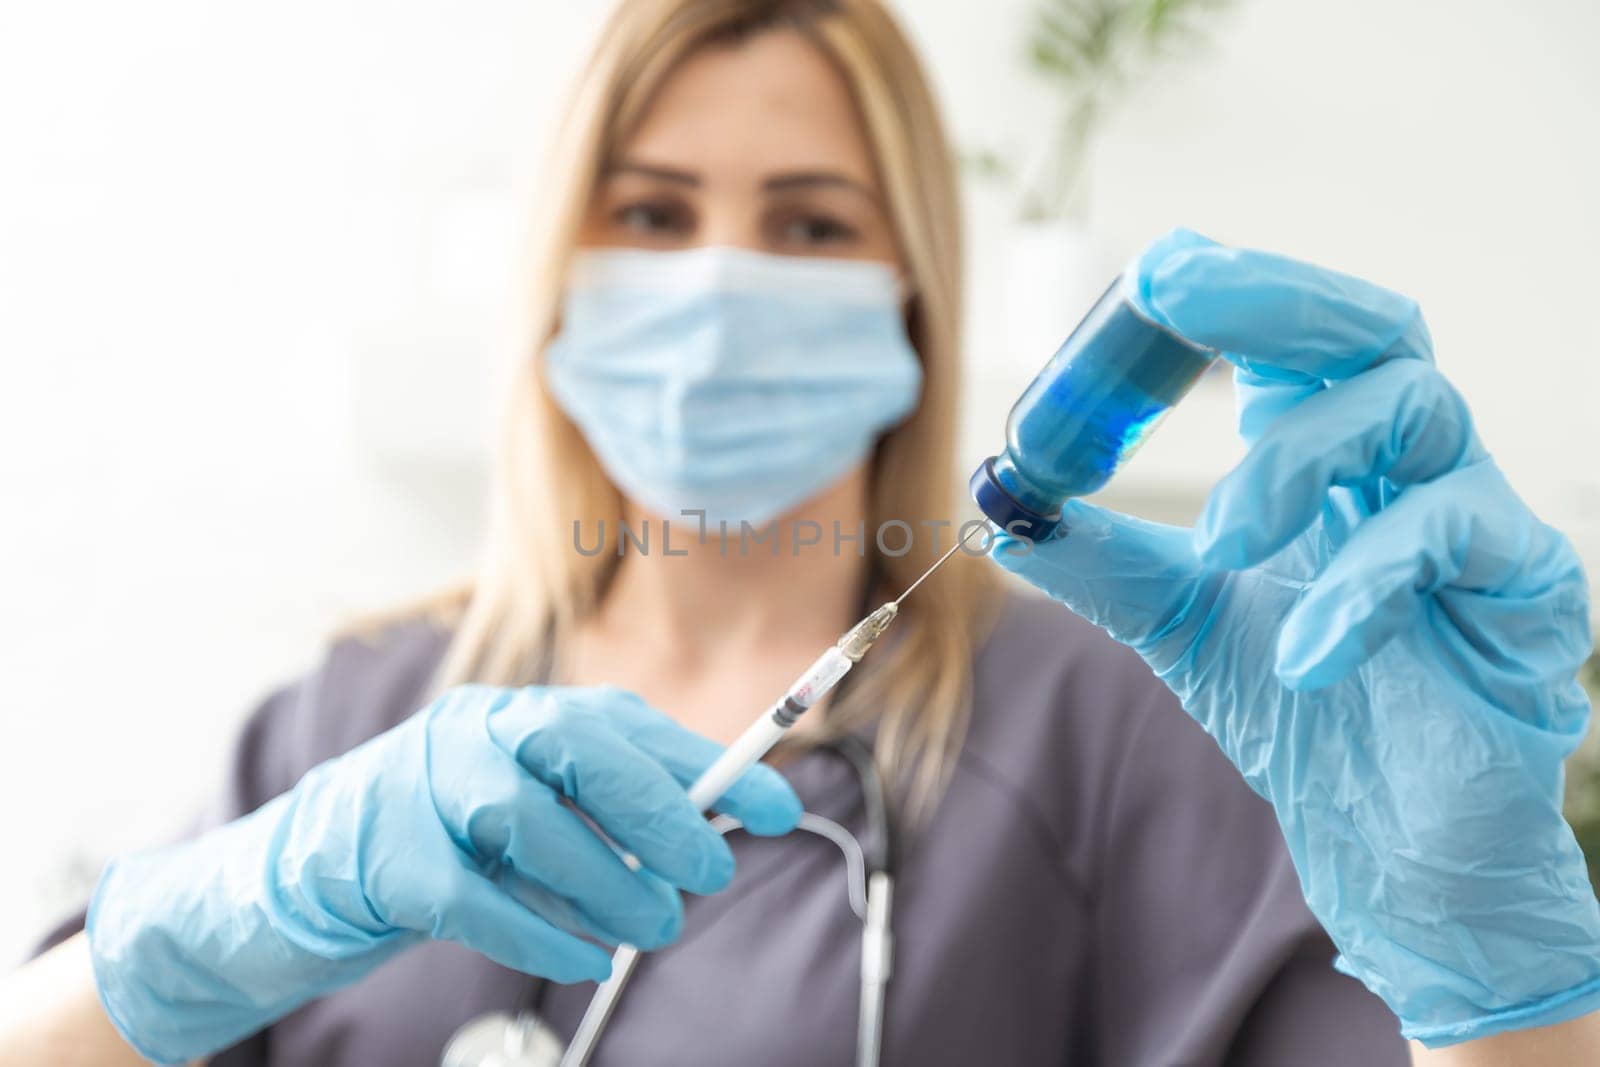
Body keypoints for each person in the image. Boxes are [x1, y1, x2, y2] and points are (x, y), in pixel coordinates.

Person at [4, 1, 1599, 1064]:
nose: (718, 281)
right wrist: (213, 924)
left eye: (810, 222)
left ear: (911, 282)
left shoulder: (1116, 735)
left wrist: (1507, 988)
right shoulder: (352, 727)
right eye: (647, 211)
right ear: (553, 270)